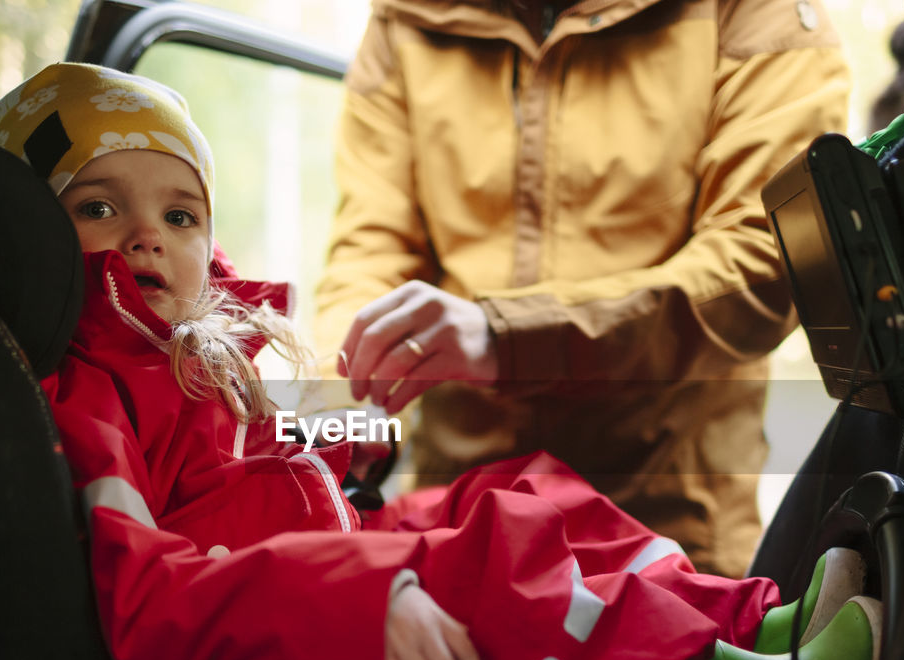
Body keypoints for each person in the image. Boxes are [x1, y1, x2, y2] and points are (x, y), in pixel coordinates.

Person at [0, 62, 878, 660]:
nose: (147, 233)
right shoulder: (86, 400)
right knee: (486, 568)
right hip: (263, 626)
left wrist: (339, 444)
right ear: (26, 246)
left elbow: (233, 475)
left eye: (181, 216)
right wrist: (362, 593)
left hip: (316, 553)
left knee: (531, 492)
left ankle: (749, 627)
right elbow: (147, 599)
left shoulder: (181, 364)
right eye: (97, 206)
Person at [314, 0, 852, 579]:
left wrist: (510, 338)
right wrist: (341, 413)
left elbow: (763, 260)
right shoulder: (404, 17)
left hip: (667, 529)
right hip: (458, 525)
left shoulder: (755, 12)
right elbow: (371, 251)